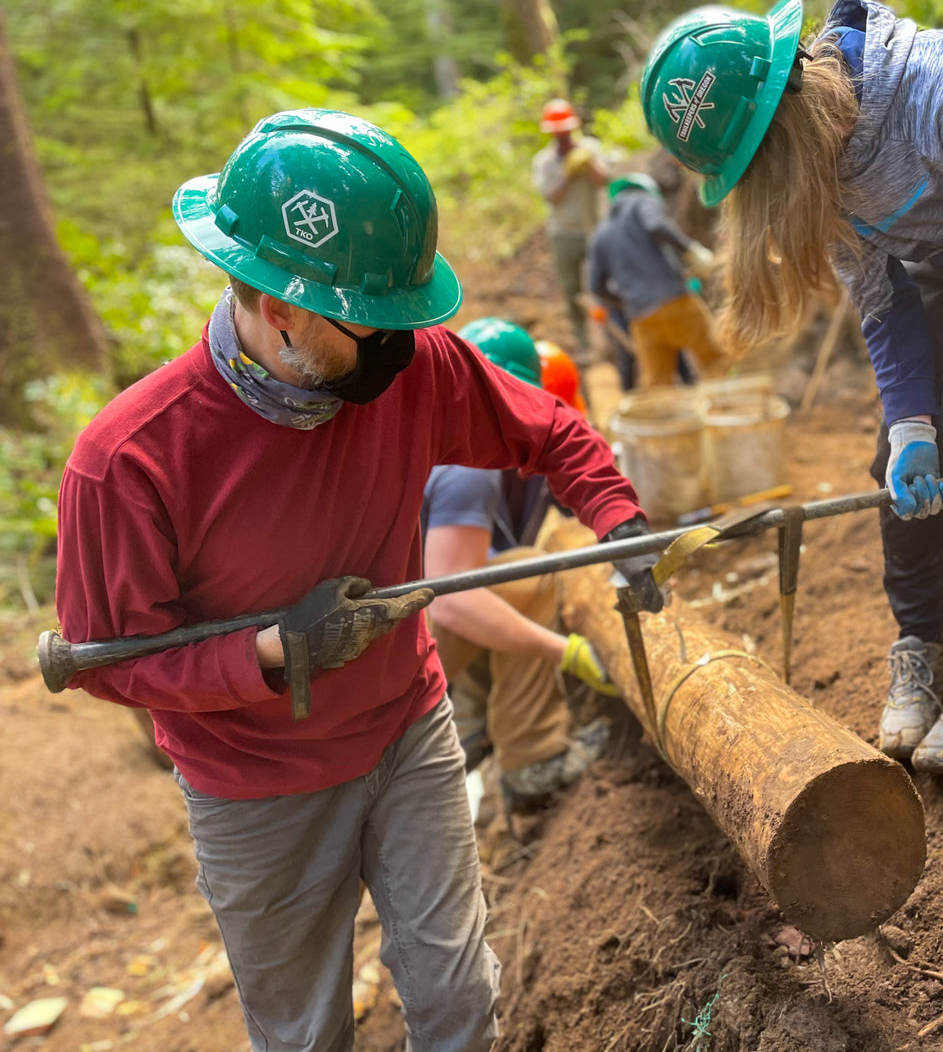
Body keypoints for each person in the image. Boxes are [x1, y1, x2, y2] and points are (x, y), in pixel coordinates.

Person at [53, 108, 664, 1052]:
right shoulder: (130, 460)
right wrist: (270, 652)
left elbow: (546, 429)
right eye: (374, 325)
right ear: (282, 310)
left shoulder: (413, 368)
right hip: (256, 787)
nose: (400, 345)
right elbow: (110, 662)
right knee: (305, 1035)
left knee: (460, 1001)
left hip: (407, 730)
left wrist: (618, 519)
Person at [640, 0, 943, 775]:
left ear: (790, 107)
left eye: (759, 161)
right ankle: (924, 645)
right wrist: (910, 426)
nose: (763, 186)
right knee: (894, 463)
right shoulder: (814, 160)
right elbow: (883, 301)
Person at [423, 318, 616, 811]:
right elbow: (452, 598)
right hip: (411, 635)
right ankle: (530, 758)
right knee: (530, 576)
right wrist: (567, 652)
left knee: (511, 579)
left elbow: (583, 500)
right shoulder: (467, 468)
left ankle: (474, 734)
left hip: (424, 622)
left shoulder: (510, 458)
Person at [588, 172, 728, 388]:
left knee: (658, 384)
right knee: (715, 361)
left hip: (641, 318)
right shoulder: (641, 201)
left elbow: (596, 285)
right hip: (675, 302)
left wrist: (627, 301)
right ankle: (727, 406)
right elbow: (656, 226)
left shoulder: (600, 232)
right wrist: (689, 250)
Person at [531, 98, 612, 352]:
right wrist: (566, 172)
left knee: (604, 285)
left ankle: (610, 338)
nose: (563, 135)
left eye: (566, 130)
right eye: (558, 131)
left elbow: (605, 180)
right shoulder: (544, 161)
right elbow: (550, 196)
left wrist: (589, 163)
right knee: (571, 290)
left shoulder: (590, 148)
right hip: (563, 234)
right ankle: (583, 341)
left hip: (594, 229)